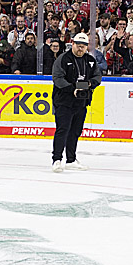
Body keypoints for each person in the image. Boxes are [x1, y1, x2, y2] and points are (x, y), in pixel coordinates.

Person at [51, 33, 102, 173]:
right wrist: (72, 89)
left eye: (83, 46)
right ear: (72, 44)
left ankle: (71, 159)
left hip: (81, 102)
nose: (80, 49)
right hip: (64, 101)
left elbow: (98, 76)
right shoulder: (63, 59)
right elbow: (57, 78)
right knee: (63, 130)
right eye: (78, 46)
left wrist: (90, 84)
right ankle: (56, 159)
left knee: (75, 131)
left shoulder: (90, 60)